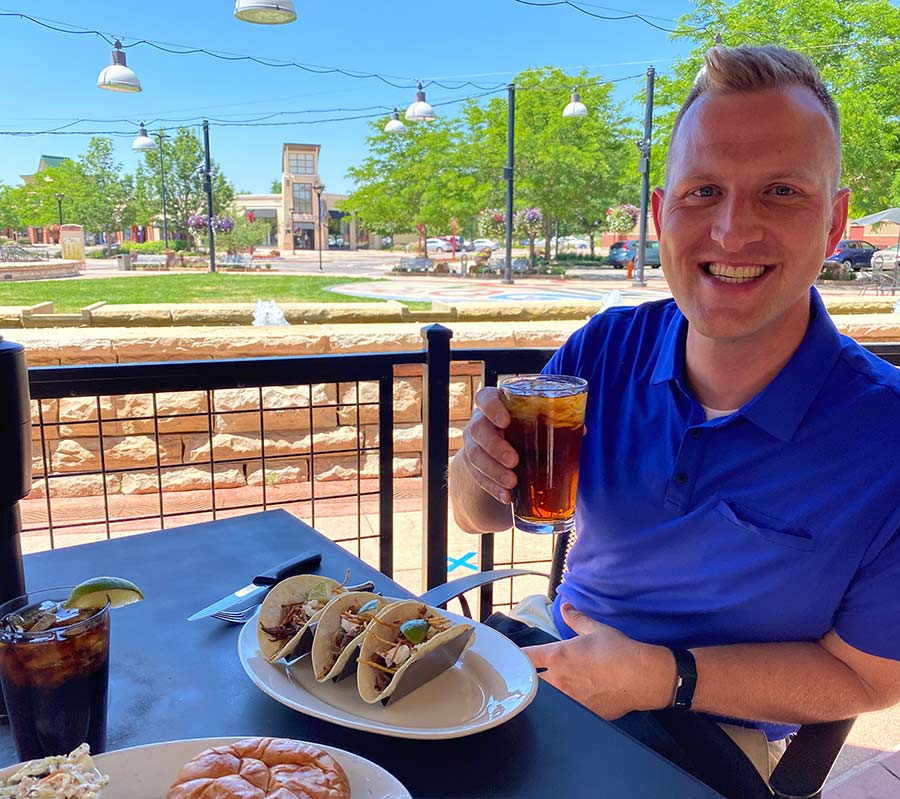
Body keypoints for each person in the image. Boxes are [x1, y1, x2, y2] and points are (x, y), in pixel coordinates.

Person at [449, 45, 900, 797]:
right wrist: (475, 466)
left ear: (834, 222)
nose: (731, 231)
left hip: (716, 723)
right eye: (703, 191)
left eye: (781, 191)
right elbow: (478, 517)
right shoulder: (600, 350)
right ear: (661, 216)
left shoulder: (886, 436)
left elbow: (868, 678)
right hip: (551, 654)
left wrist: (660, 676)